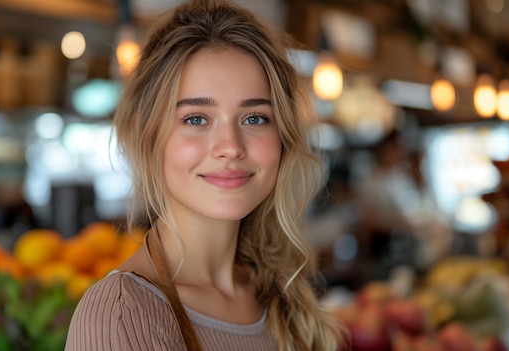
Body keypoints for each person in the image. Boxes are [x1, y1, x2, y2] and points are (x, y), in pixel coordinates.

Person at [65, 0, 343, 350]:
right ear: (149, 136)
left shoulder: (283, 297)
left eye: (255, 118)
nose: (230, 146)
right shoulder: (122, 314)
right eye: (196, 119)